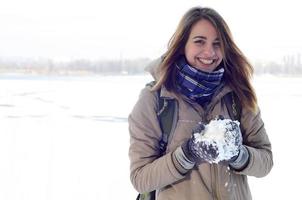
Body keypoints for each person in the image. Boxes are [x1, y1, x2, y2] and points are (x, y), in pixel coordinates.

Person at [128, 6, 273, 200]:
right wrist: (187, 154)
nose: (209, 52)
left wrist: (238, 154)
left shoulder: (238, 94)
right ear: (182, 45)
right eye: (199, 42)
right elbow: (140, 178)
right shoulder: (155, 99)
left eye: (217, 43)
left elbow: (266, 162)